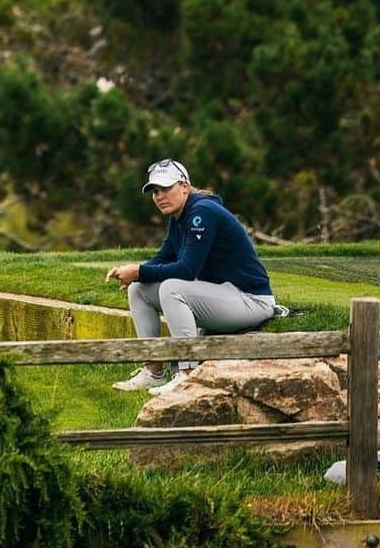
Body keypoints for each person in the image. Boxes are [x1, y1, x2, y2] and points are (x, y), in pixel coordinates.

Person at [106, 159, 279, 397]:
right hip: (225, 297)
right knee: (138, 289)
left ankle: (187, 373)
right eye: (155, 191)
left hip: (252, 301)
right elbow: (163, 257)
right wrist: (133, 273)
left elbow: (187, 269)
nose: (159, 196)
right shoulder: (179, 217)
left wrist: (139, 271)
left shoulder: (201, 212)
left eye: (166, 188)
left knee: (172, 288)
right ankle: (154, 372)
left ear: (185, 186)